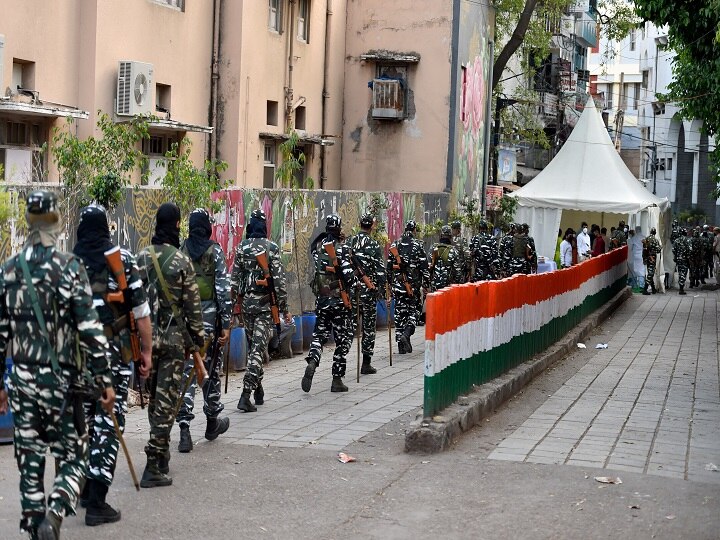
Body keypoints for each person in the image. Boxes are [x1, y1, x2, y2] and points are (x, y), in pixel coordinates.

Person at [0, 190, 115, 540]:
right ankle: (54, 512)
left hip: (21, 383)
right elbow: (91, 329)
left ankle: (36, 526)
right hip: (61, 384)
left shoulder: (8, 271)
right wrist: (105, 380)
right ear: (55, 222)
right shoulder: (70, 268)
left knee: (29, 461)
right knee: (73, 456)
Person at [73, 205, 153, 526]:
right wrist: (146, 352)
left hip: (77, 356)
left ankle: (82, 488)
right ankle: (97, 502)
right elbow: (142, 313)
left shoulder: (69, 263)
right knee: (109, 420)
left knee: (86, 420)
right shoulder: (122, 261)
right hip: (113, 356)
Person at [137, 203, 205, 488]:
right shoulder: (181, 261)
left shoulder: (139, 259)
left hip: (146, 343)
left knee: (156, 400)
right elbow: (192, 308)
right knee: (167, 403)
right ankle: (154, 464)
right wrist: (198, 342)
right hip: (175, 344)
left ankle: (162, 454)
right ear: (176, 226)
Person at [176, 208, 231, 450]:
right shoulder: (215, 251)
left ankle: (184, 430)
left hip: (187, 322)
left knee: (188, 372)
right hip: (209, 321)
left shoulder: (182, 250)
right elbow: (222, 289)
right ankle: (211, 422)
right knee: (211, 371)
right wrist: (226, 323)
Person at [231, 209, 290, 410]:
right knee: (258, 349)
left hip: (247, 306)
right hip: (265, 306)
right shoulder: (271, 247)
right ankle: (245, 394)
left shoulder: (241, 248)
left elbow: (235, 281)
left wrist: (232, 309)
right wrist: (284, 308)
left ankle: (258, 389)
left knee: (254, 348)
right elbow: (280, 283)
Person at [302, 214, 357, 393]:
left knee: (319, 335)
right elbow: (350, 278)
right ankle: (337, 379)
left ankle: (312, 361)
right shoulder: (341, 249)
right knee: (343, 339)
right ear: (339, 228)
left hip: (322, 301)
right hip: (340, 303)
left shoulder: (317, 249)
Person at [348, 212, 386, 375]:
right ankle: (366, 363)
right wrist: (380, 289)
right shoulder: (374, 245)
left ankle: (341, 358)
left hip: (352, 291)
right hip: (368, 293)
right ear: (371, 227)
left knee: (350, 326)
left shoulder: (349, 242)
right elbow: (379, 271)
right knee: (369, 327)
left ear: (360, 225)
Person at [387, 220, 429, 354]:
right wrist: (426, 285)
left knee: (399, 314)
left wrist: (389, 285)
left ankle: (401, 344)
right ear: (414, 230)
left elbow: (388, 267)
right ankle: (406, 334)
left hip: (398, 287)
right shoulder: (418, 245)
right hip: (413, 287)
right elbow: (424, 268)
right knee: (414, 312)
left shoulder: (396, 244)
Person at [429, 225, 463, 291]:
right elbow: (458, 273)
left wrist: (427, 284)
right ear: (450, 237)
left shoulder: (433, 248)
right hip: (448, 288)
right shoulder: (453, 251)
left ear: (441, 236)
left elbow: (428, 267)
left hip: (434, 287)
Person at [642, 227, 662, 295]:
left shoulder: (646, 238)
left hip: (647, 258)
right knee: (651, 274)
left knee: (650, 272)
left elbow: (644, 249)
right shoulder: (655, 240)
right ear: (655, 233)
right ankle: (645, 289)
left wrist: (644, 258)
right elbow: (658, 250)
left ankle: (653, 289)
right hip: (652, 258)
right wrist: (660, 247)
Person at [672, 227, 690, 295]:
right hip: (685, 259)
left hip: (679, 259)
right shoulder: (687, 240)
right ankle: (681, 288)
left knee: (680, 272)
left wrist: (676, 256)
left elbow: (673, 250)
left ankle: (681, 287)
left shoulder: (677, 240)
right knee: (684, 273)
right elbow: (690, 249)